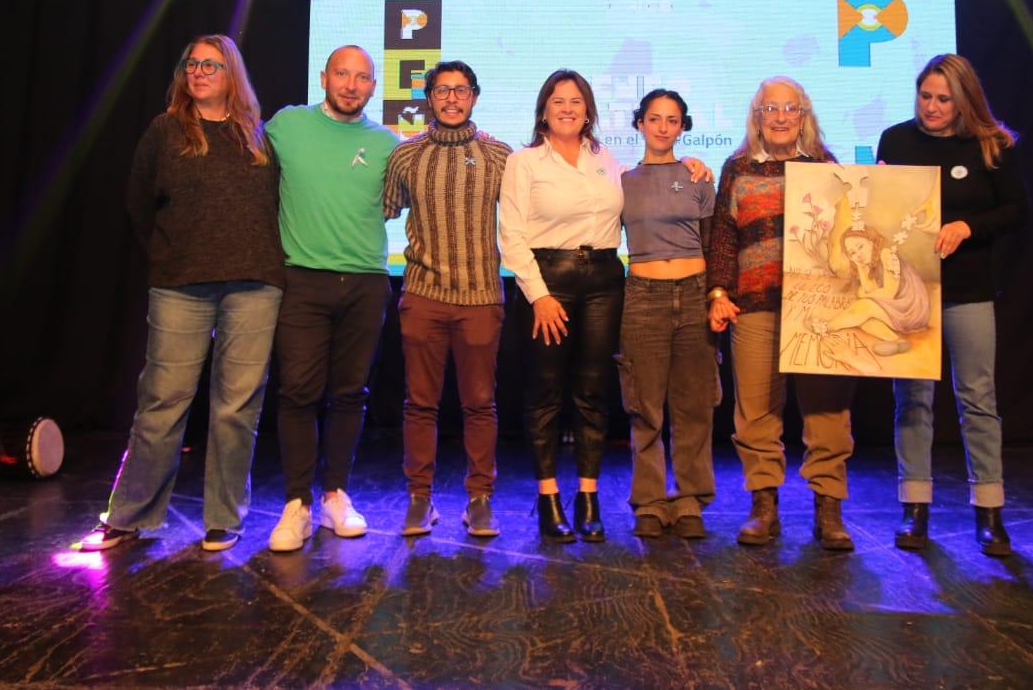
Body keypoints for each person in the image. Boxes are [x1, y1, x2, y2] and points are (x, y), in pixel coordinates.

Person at [80, 34, 284, 552]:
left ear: (230, 73)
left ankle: (224, 517)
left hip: (254, 284)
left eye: (210, 65)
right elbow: (137, 202)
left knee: (235, 408)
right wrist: (168, 254)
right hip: (180, 286)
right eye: (191, 63)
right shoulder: (164, 131)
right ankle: (129, 516)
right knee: (162, 403)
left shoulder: (258, 135)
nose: (197, 72)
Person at [500, 70, 711, 543]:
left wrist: (694, 167)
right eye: (559, 101)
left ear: (589, 109)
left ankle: (588, 499)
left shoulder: (609, 161)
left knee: (594, 394)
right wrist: (540, 296)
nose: (568, 108)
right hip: (546, 283)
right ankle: (549, 498)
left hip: (603, 282)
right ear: (544, 109)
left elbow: (653, 188)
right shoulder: (524, 162)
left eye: (577, 101)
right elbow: (511, 237)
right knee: (546, 394)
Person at [877, 53, 1027, 556]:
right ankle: (914, 508)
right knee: (912, 400)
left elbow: (1015, 210)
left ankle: (989, 512)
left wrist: (968, 227)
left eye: (944, 98)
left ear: (963, 100)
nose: (933, 106)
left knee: (977, 398)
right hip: (910, 292)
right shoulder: (895, 140)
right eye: (926, 96)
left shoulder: (990, 145)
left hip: (969, 291)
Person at [707, 76, 858, 551]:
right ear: (756, 116)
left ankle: (828, 509)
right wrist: (717, 290)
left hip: (819, 309)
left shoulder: (826, 167)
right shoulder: (736, 168)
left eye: (789, 108)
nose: (779, 116)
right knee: (755, 412)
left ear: (803, 116)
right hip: (753, 306)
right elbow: (724, 237)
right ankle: (763, 507)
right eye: (770, 108)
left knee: (828, 410)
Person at [265, 45, 399, 552]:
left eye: (362, 77)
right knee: (298, 392)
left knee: (349, 394)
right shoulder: (287, 125)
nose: (350, 84)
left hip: (366, 281)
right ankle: (296, 503)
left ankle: (334, 496)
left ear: (372, 86)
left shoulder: (388, 143)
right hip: (301, 280)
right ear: (323, 76)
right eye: (342, 74)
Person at [383, 61, 511, 538]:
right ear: (429, 99)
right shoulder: (406, 156)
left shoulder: (499, 155)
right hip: (422, 296)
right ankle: (420, 500)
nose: (452, 99)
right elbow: (381, 208)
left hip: (481, 297)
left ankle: (479, 499)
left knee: (480, 403)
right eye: (442, 91)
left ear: (474, 96)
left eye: (461, 90)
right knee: (420, 403)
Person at [615, 89, 720, 540]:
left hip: (695, 294)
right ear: (639, 124)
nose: (662, 127)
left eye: (672, 120)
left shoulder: (698, 176)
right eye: (654, 118)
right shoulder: (621, 180)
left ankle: (691, 498)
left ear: (683, 127)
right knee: (645, 405)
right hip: (643, 296)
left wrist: (717, 294)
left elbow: (715, 242)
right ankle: (652, 501)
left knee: (694, 404)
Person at [824, 226, 931, 356]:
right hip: (896, 307)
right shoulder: (867, 262)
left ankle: (828, 326)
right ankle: (897, 341)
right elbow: (872, 290)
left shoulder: (886, 254)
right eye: (852, 253)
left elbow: (888, 294)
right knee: (862, 320)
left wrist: (864, 295)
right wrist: (861, 267)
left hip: (910, 308)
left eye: (860, 246)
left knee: (864, 306)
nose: (858, 254)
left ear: (871, 241)